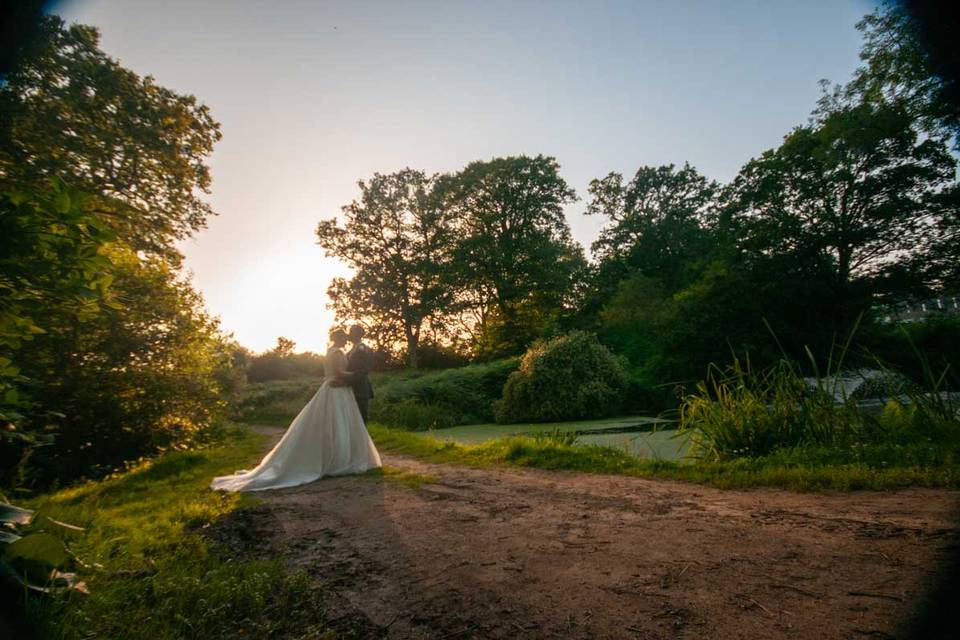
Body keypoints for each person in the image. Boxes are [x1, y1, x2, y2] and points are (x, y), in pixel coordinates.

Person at [210, 329, 381, 492]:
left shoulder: (332, 351)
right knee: (337, 423)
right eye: (344, 337)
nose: (347, 339)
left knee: (337, 423)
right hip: (336, 389)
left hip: (337, 389)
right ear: (338, 338)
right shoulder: (336, 352)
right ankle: (337, 459)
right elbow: (338, 372)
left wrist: (349, 379)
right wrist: (358, 375)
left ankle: (338, 456)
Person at [345, 324, 374, 423]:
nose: (350, 335)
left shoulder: (362, 349)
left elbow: (362, 370)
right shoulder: (351, 350)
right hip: (351, 388)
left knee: (361, 418)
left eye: (352, 333)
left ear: (358, 334)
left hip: (360, 388)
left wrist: (347, 381)